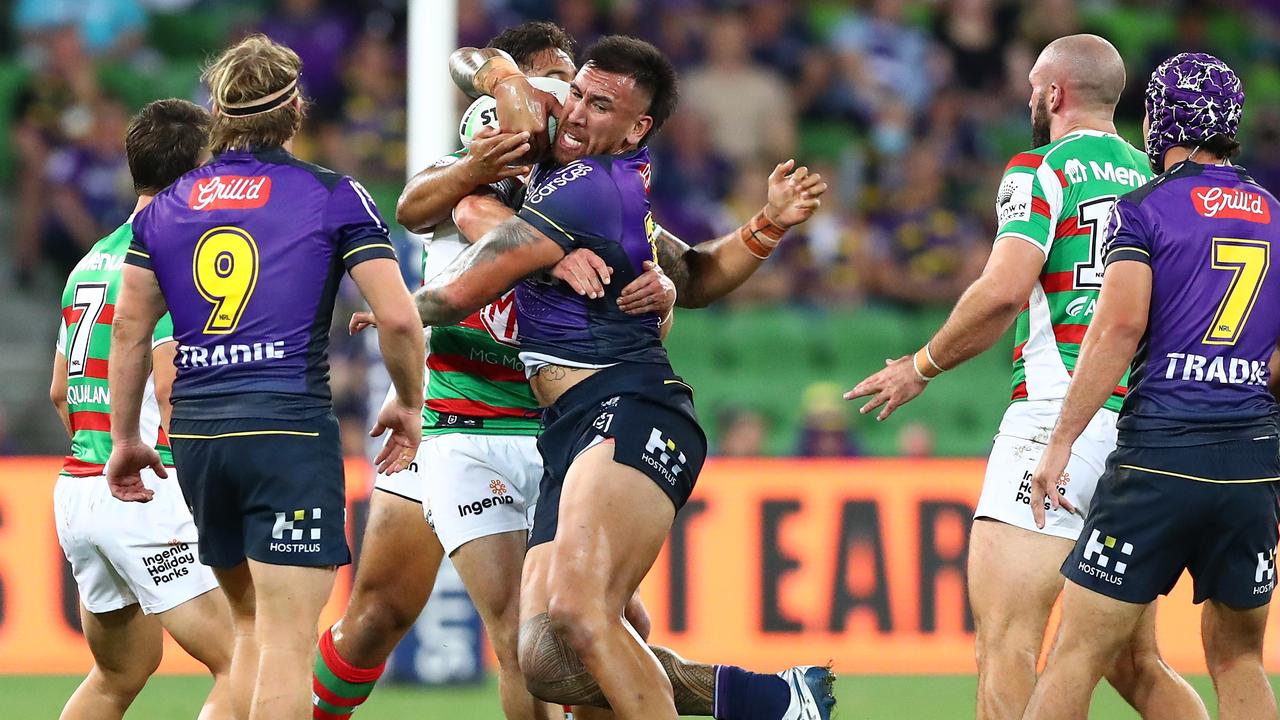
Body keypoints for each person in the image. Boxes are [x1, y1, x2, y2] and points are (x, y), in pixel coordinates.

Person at [418, 35, 831, 720]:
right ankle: (764, 699)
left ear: (638, 127)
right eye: (574, 93)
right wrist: (504, 84)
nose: (576, 112)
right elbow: (693, 275)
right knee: (547, 658)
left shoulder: (587, 188)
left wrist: (395, 308)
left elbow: (456, 295)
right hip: (570, 426)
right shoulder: (579, 165)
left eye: (598, 105)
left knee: (583, 617)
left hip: (627, 406)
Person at [314, 23, 670, 720]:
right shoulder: (484, 154)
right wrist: (513, 210)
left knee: (603, 628)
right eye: (556, 82)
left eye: (579, 87)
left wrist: (669, 287)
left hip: (553, 424)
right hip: (452, 417)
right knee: (381, 616)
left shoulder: (589, 180)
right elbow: (421, 207)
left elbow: (665, 265)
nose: (568, 98)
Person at [845, 35, 1206, 720]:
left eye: (1034, 85)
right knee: (1135, 663)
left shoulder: (1041, 171)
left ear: (1055, 94)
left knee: (1008, 640)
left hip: (1057, 416)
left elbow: (1004, 290)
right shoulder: (1160, 184)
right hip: (1146, 429)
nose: (1028, 97)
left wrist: (921, 366)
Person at [104, 35, 425, 720]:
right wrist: (408, 401)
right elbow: (398, 319)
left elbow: (128, 327)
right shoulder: (334, 196)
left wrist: (124, 438)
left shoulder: (165, 208)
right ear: (296, 110)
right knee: (286, 641)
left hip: (197, 437)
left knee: (248, 628)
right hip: (285, 430)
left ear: (218, 113)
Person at [1024, 52, 1277, 720]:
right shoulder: (1277, 216)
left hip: (1159, 458)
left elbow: (1119, 329)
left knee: (1075, 655)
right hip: (1251, 461)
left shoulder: (1144, 210)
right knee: (1239, 659)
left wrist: (1059, 444)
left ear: (1158, 120)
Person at [51, 97, 234, 720]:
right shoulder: (173, 254)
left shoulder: (89, 262)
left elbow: (60, 393)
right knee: (248, 661)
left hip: (79, 488)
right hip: (143, 491)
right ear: (197, 173)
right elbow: (169, 388)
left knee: (119, 671)